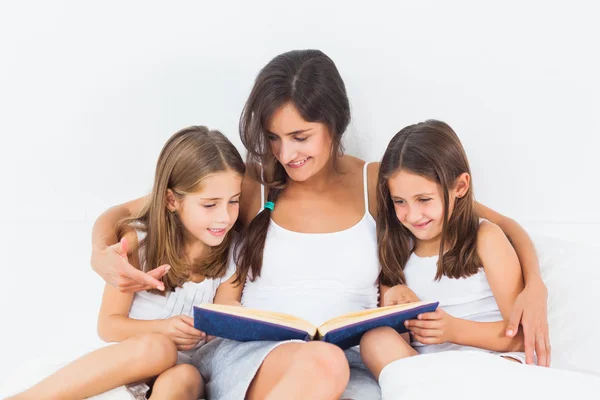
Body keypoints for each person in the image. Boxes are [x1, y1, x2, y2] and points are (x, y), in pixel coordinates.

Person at [90, 50, 549, 399]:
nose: (287, 154)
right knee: (323, 363)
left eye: (301, 136)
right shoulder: (255, 186)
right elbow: (130, 211)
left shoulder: (375, 181)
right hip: (253, 356)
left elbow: (494, 221)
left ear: (333, 123)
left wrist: (536, 287)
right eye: (274, 139)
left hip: (352, 359)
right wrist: (99, 251)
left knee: (346, 371)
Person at [10, 126, 245, 400]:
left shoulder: (234, 255)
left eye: (234, 201)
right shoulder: (139, 243)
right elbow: (108, 326)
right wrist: (164, 328)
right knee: (160, 348)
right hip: (135, 360)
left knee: (186, 375)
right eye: (210, 205)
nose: (225, 217)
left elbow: (222, 321)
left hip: (183, 372)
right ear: (172, 200)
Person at [360, 120, 535, 382]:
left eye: (424, 199)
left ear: (460, 187)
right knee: (375, 340)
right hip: (430, 373)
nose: (413, 215)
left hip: (490, 363)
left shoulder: (484, 238)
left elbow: (521, 337)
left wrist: (454, 330)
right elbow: (403, 341)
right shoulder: (397, 252)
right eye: (400, 202)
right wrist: (397, 305)